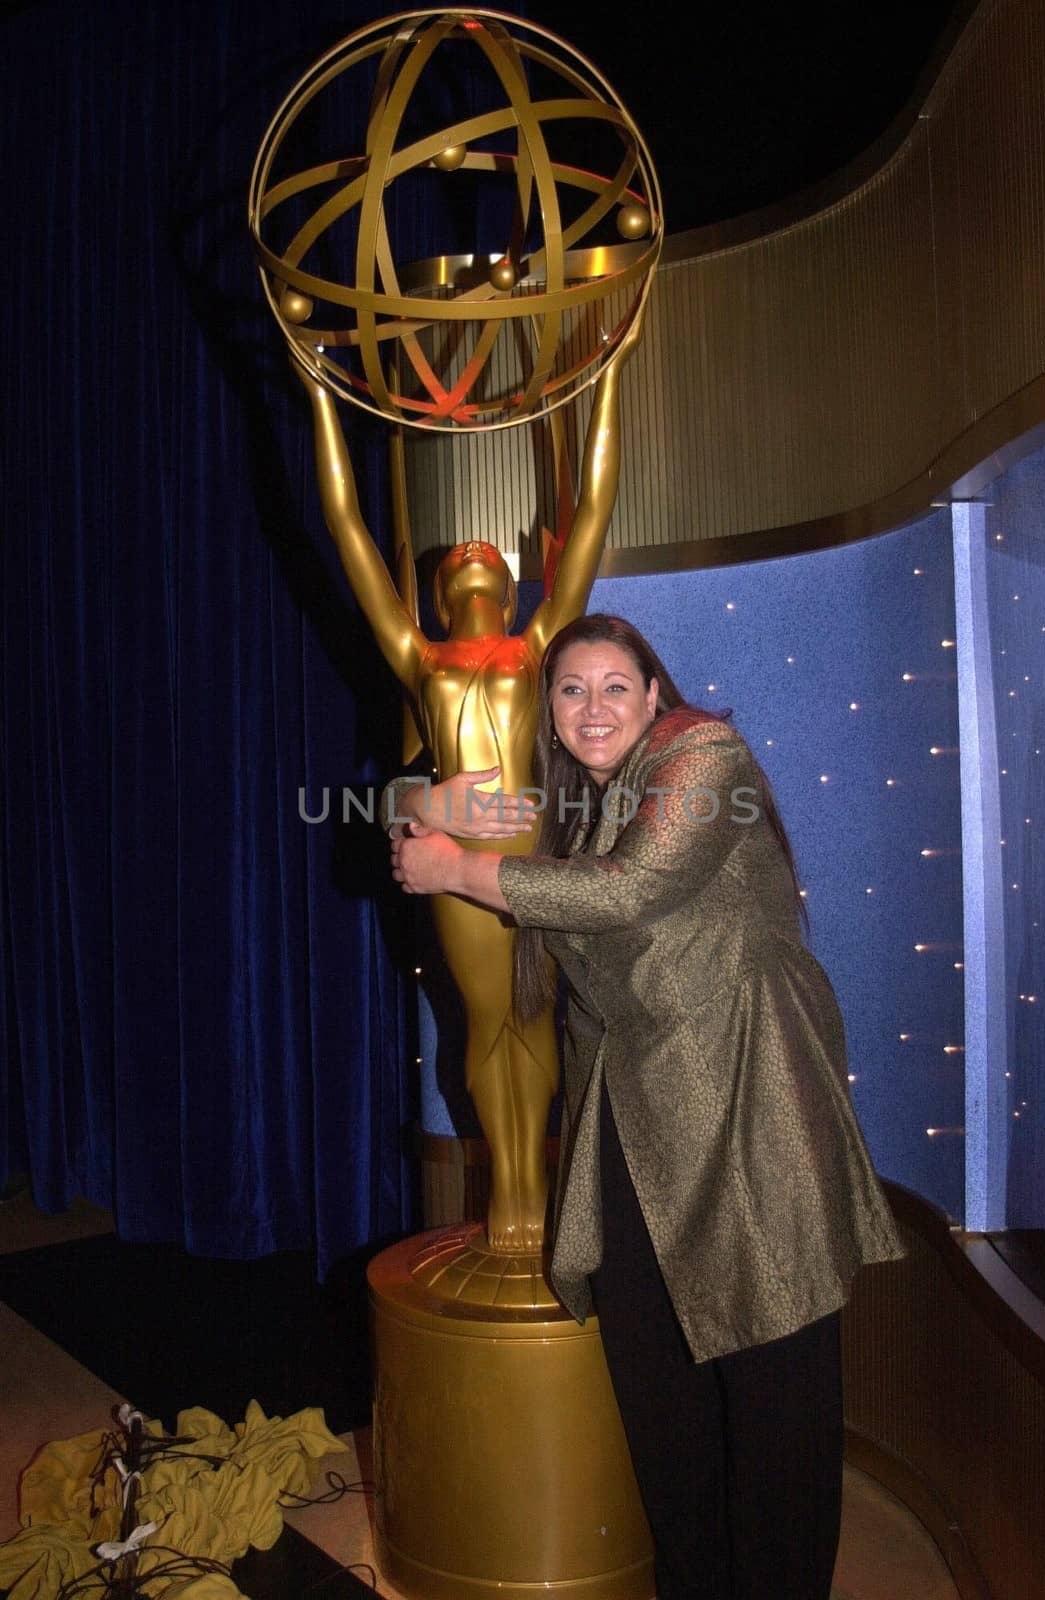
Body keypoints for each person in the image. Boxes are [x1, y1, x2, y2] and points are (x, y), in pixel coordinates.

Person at [389, 612, 906, 1600]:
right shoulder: (572, 802)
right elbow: (396, 795)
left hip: (748, 1104)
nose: (592, 707)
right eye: (571, 689)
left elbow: (633, 889)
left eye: (614, 685)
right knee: (658, 1385)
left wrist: (457, 867)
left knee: (773, 1388)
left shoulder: (704, 756)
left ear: (656, 693)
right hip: (629, 1123)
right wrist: (419, 800)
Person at [295, 310, 645, 1256]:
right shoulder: (421, 656)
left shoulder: (539, 648)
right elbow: (347, 530)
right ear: (444, 589)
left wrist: (608, 374)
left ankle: (538, 1188)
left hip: (534, 851)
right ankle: (509, 1199)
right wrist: (322, 399)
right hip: (456, 865)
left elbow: (594, 513)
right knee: (488, 1024)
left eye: (486, 554)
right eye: (457, 559)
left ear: (509, 575)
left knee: (542, 1021)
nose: (471, 554)